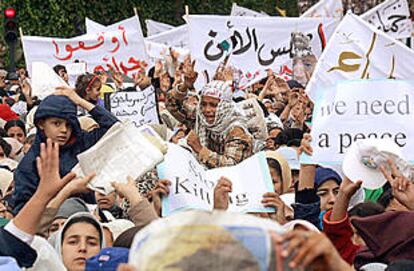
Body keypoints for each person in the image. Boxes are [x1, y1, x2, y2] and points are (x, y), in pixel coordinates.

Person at [12, 87, 118, 214]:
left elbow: (116, 130)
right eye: (56, 123)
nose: (64, 130)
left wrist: (80, 101)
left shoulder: (83, 142)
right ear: (41, 124)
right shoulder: (30, 164)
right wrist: (68, 190)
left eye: (68, 125)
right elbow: (22, 213)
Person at [166, 61, 254, 168]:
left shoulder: (236, 130)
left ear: (224, 105)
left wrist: (200, 149)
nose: (207, 110)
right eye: (203, 104)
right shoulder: (201, 118)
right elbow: (172, 105)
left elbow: (232, 166)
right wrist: (185, 86)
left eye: (213, 105)